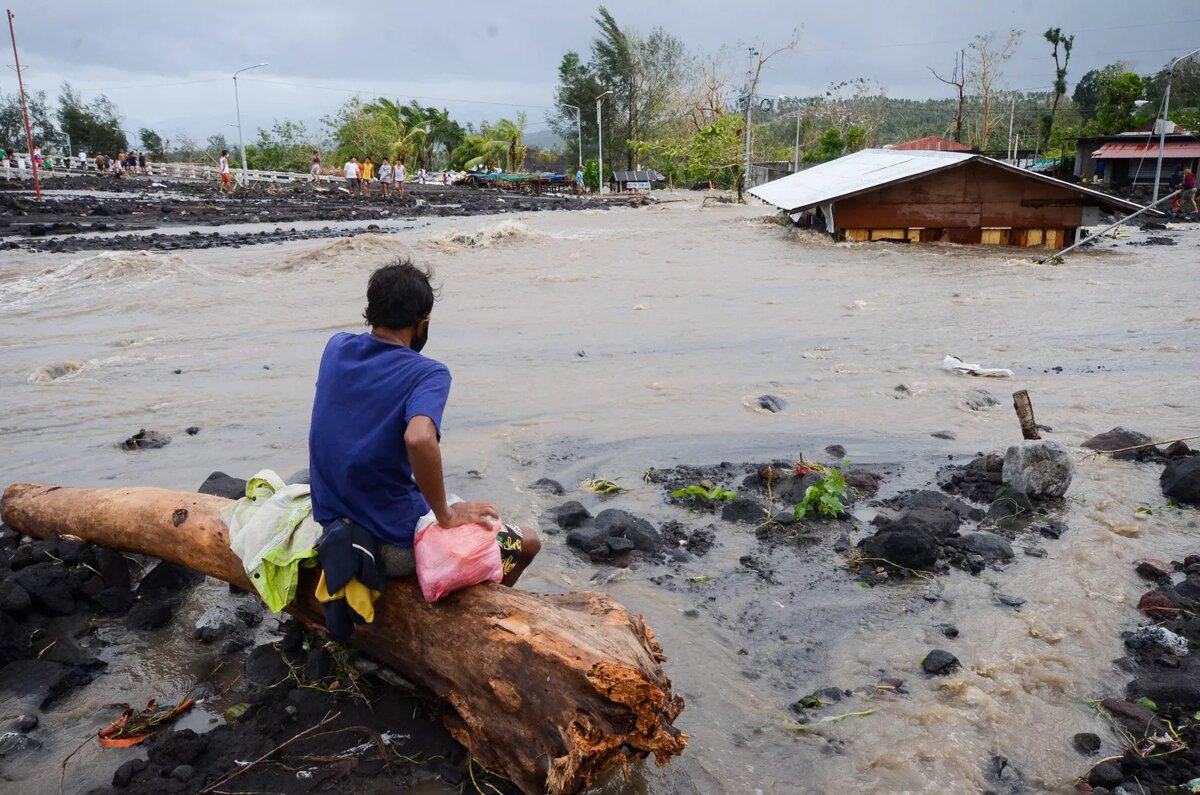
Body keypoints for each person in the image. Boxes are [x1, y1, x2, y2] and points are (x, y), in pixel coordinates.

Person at [309, 260, 540, 587]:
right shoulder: (428, 373)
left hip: (334, 524)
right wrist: (446, 514)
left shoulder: (336, 348)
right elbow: (419, 439)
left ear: (371, 312)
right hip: (390, 543)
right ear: (423, 324)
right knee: (526, 543)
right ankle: (478, 618)